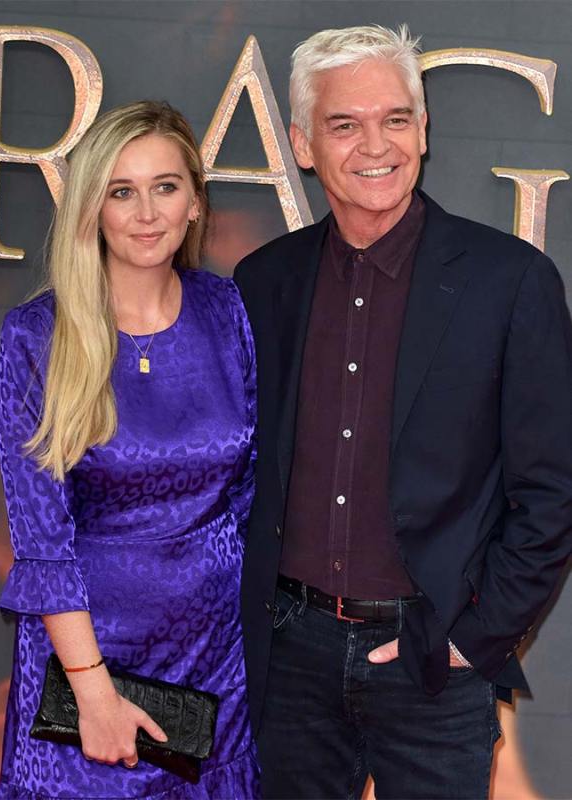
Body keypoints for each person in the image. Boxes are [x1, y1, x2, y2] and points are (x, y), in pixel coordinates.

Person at [234, 24, 572, 800]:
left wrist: (470, 638)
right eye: (344, 124)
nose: (373, 145)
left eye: (394, 119)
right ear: (303, 143)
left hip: (431, 666)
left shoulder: (510, 282)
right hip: (290, 664)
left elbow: (550, 492)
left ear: (423, 130)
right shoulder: (264, 281)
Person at [0, 100, 259, 799]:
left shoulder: (229, 313)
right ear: (93, 210)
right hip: (89, 662)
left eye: (165, 187)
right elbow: (41, 540)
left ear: (196, 203)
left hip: (215, 660)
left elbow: (252, 493)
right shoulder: (36, 339)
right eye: (121, 191)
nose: (146, 213)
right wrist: (94, 694)